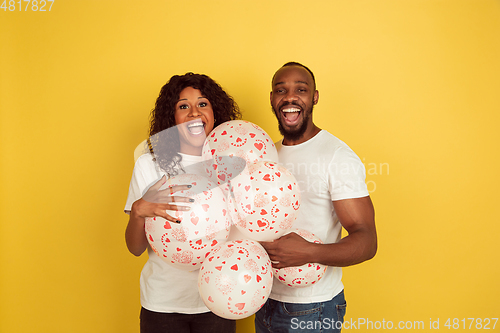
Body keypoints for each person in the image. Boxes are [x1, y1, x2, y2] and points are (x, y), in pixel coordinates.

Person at [256, 62, 378, 333]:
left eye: (301, 89)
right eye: (280, 90)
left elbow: (367, 240)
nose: (290, 97)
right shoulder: (265, 156)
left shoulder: (336, 155)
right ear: (272, 99)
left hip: (312, 307)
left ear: (315, 97)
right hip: (262, 298)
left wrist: (310, 252)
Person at [124, 73, 241, 333]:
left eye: (202, 104)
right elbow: (134, 248)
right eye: (183, 106)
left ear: (215, 111)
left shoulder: (232, 163)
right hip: (163, 304)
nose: (193, 113)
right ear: (172, 117)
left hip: (219, 299)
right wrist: (138, 212)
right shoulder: (150, 164)